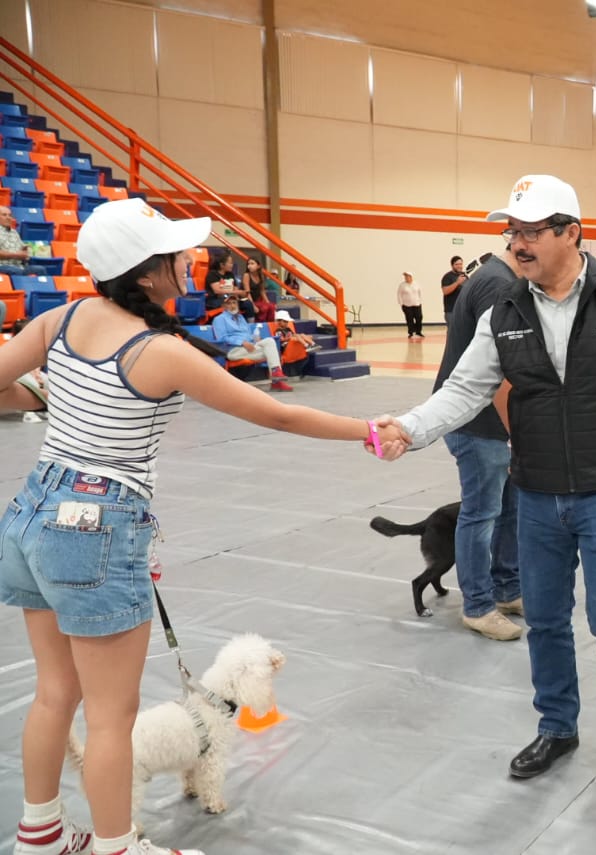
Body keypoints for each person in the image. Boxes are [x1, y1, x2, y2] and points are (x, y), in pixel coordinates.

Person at [0, 197, 406, 855]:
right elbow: (273, 415)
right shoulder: (158, 349)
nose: (190, 260)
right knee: (110, 718)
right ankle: (117, 846)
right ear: (146, 270)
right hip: (95, 528)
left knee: (54, 694)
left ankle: (39, 834)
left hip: (30, 518)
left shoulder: (59, 318)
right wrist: (364, 429)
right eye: (175, 254)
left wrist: (54, 400)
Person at [377, 174, 596, 787]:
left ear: (570, 233)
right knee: (544, 618)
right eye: (512, 232)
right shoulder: (505, 310)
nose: (517, 244)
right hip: (538, 491)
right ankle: (556, 726)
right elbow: (465, 388)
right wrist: (411, 428)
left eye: (531, 232)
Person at [432, 247, 524, 641]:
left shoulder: (497, 279)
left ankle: (506, 590)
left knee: (509, 508)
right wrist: (520, 434)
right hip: (477, 421)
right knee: (482, 512)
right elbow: (501, 368)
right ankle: (478, 606)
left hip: (491, 422)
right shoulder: (497, 285)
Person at [210, 295, 293, 392]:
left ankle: (276, 375)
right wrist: (242, 342)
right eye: (229, 303)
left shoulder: (240, 317)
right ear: (224, 306)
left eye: (234, 303)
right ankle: (277, 382)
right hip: (232, 350)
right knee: (270, 352)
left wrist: (255, 340)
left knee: (269, 342)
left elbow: (248, 334)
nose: (232, 306)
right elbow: (222, 338)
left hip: (248, 348)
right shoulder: (219, 319)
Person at [0, 206, 36, 274]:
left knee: (39, 269)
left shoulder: (14, 232)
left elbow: (22, 249)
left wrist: (26, 250)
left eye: (10, 215)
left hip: (19, 266)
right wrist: (15, 255)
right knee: (17, 271)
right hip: (2, 266)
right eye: (4, 215)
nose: (8, 217)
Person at [242, 258, 273, 324]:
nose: (249, 266)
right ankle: (259, 325)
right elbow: (247, 293)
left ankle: (270, 325)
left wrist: (268, 302)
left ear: (258, 266)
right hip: (248, 300)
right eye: (248, 264)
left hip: (257, 300)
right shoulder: (246, 275)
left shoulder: (260, 275)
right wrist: (253, 306)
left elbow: (262, 291)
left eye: (252, 263)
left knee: (271, 306)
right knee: (263, 308)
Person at [397, 271, 424, 340]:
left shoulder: (416, 284)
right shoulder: (402, 285)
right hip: (407, 305)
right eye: (405, 276)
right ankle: (411, 332)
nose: (406, 278)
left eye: (407, 276)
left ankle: (418, 332)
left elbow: (420, 293)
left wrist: (420, 302)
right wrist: (401, 304)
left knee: (419, 318)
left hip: (417, 304)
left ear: (411, 277)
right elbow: (399, 294)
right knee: (409, 319)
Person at [440, 256, 466, 325]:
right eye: (457, 264)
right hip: (451, 311)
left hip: (463, 310)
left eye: (460, 264)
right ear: (452, 265)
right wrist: (457, 283)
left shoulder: (465, 276)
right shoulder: (447, 277)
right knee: (452, 332)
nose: (459, 266)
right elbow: (445, 291)